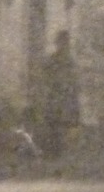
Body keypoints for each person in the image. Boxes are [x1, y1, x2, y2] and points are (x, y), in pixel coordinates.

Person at [33, 30, 81, 158]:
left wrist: (72, 94)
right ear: (57, 43)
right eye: (61, 42)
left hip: (65, 97)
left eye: (65, 43)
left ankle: (60, 150)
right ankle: (51, 150)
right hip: (54, 96)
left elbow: (74, 79)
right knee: (52, 123)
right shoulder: (52, 60)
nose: (63, 45)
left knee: (64, 124)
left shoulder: (70, 61)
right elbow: (45, 77)